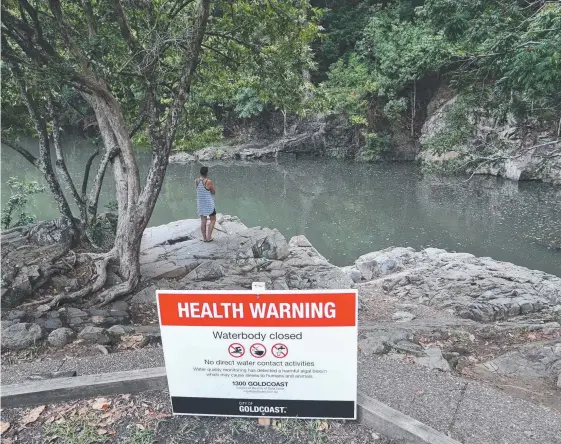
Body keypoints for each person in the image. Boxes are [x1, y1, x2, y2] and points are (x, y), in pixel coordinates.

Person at [196, 166, 216, 242]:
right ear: (207, 173)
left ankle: (204, 238)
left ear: (200, 173)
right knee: (213, 219)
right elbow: (213, 192)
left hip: (201, 203)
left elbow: (199, 191)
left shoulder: (196, 181)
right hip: (209, 204)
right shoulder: (208, 181)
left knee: (203, 220)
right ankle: (209, 237)